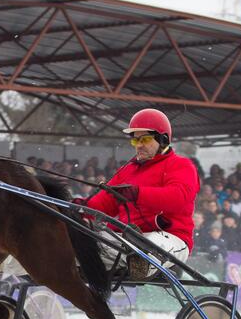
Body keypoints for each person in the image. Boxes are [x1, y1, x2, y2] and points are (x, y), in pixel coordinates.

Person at [79, 108, 199, 278]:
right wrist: (79, 207)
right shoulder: (126, 171)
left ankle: (138, 262)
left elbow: (177, 198)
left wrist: (138, 194)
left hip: (169, 238)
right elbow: (103, 204)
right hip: (127, 238)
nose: (139, 145)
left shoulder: (181, 165)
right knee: (80, 240)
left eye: (145, 139)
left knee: (145, 248)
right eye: (135, 141)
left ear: (163, 139)